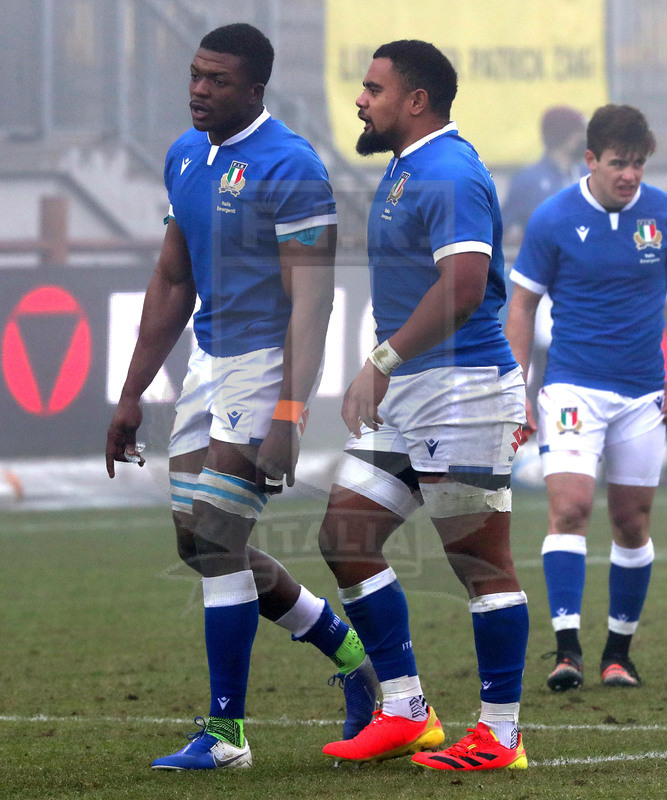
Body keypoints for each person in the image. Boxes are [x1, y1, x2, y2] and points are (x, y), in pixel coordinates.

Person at [105, 23, 377, 771]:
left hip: (266, 365)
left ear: (255, 90)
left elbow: (312, 303)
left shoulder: (292, 166)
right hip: (208, 363)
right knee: (198, 544)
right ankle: (351, 654)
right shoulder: (184, 155)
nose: (198, 90)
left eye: (217, 80)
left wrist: (290, 412)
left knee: (219, 535)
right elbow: (172, 280)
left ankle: (226, 735)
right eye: (195, 75)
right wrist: (131, 395)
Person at [317, 40, 529, 772]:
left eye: (372, 89)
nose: (359, 100)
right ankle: (406, 712)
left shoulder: (447, 171)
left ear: (415, 101)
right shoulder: (408, 167)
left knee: (479, 562)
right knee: (345, 535)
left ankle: (500, 735)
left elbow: (464, 288)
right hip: (415, 393)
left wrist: (379, 362)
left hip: (462, 391)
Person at [505, 104, 666, 692]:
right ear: (592, 159)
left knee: (632, 520)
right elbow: (522, 306)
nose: (630, 175)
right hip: (573, 386)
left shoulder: (661, 213)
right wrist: (517, 389)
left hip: (644, 393)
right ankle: (567, 650)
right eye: (619, 163)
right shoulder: (553, 217)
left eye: (639, 164)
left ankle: (617, 655)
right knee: (571, 508)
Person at [502, 105, 587, 249]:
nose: (584, 139)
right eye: (579, 133)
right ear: (564, 136)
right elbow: (505, 229)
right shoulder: (528, 180)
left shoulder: (589, 175)